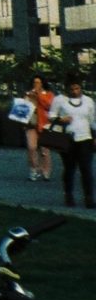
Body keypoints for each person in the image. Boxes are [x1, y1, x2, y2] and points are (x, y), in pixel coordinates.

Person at [47, 76, 94, 209]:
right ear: (67, 88)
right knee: (69, 169)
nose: (74, 91)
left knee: (86, 169)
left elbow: (92, 120)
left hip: (85, 138)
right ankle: (69, 195)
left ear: (81, 87)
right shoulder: (59, 100)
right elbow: (51, 115)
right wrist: (61, 119)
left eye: (77, 88)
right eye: (71, 88)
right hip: (68, 139)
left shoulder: (88, 101)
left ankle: (89, 198)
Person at [24, 77, 54, 182]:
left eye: (38, 82)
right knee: (31, 147)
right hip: (31, 124)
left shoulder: (48, 94)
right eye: (34, 82)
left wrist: (39, 95)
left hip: (44, 124)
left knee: (44, 150)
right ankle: (33, 169)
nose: (36, 84)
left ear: (42, 83)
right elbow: (24, 107)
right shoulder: (28, 93)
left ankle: (46, 171)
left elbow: (49, 105)